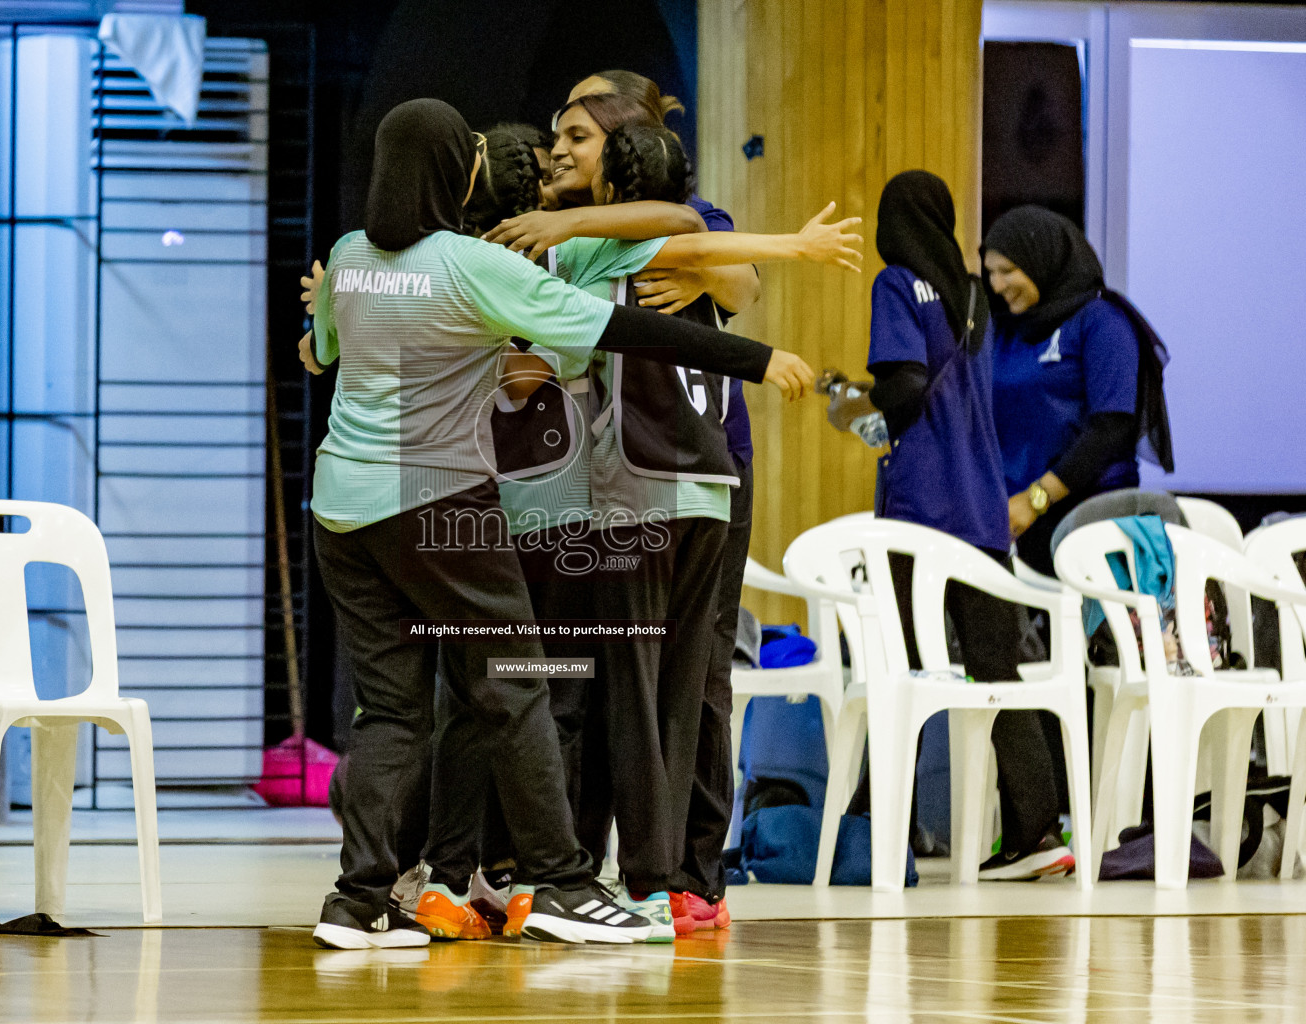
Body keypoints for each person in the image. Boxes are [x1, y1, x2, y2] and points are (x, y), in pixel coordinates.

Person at [302, 98, 813, 950]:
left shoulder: (350, 258)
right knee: (515, 683)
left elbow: (319, 351)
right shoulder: (469, 265)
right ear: (445, 169)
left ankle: (359, 901)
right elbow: (621, 326)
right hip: (436, 505)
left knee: (390, 711)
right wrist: (757, 358)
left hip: (341, 511)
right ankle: (563, 883)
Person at [826, 170, 1071, 879]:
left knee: (899, 671)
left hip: (919, 511)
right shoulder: (973, 294)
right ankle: (1037, 832)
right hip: (982, 507)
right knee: (998, 672)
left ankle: (875, 838)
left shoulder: (897, 282)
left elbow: (902, 386)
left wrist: (852, 403)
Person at [982, 204, 1174, 577]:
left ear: (1044, 262)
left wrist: (1035, 499)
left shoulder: (1102, 320)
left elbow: (1111, 428)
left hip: (1090, 521)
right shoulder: (1004, 330)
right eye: (990, 272)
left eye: (1008, 271)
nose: (997, 285)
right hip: (1015, 524)